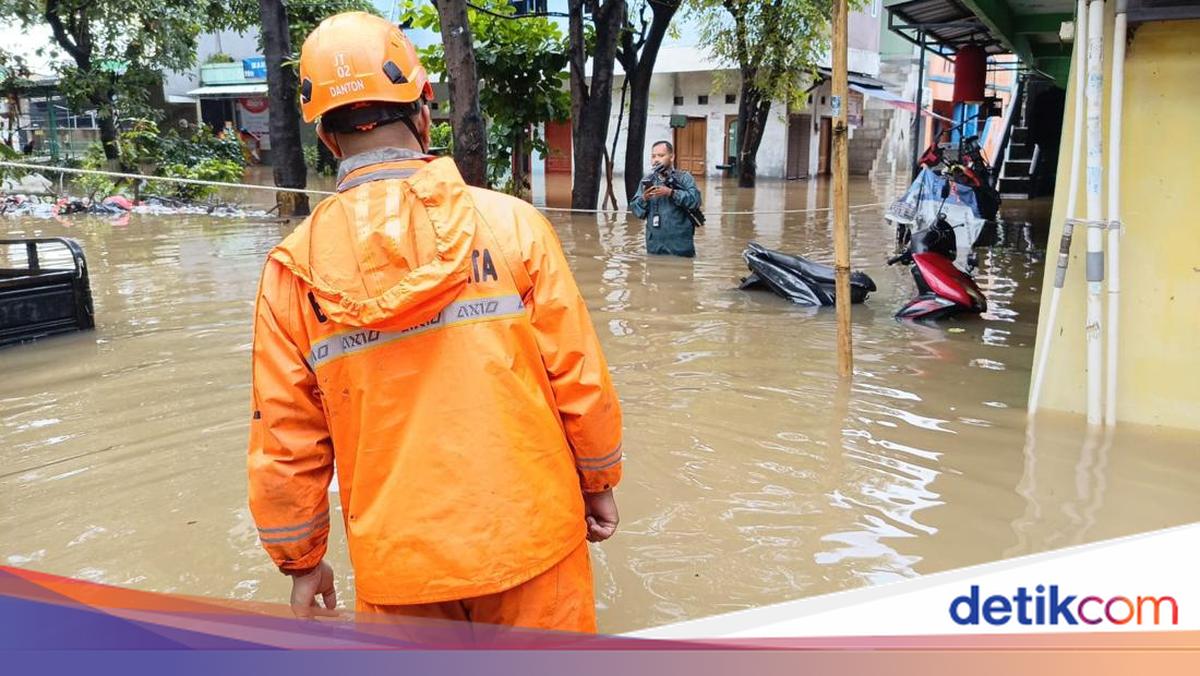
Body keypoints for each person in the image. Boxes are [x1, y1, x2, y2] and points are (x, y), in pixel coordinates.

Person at [247, 12, 624, 633]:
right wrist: (599, 480)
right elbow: (578, 378)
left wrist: (301, 562)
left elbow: (285, 439)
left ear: (326, 139)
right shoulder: (512, 226)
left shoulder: (294, 269)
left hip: (401, 567)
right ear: (425, 109)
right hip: (532, 540)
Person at [630, 141, 702, 257]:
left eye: (661, 155)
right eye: (653, 156)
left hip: (680, 246)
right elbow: (636, 210)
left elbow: (695, 201)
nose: (656, 160)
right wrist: (644, 198)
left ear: (672, 157)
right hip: (655, 247)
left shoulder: (684, 178)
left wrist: (671, 192)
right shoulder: (647, 181)